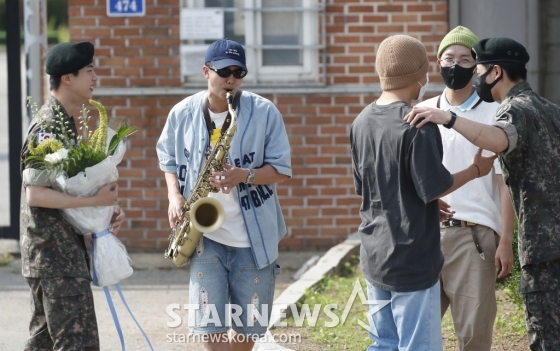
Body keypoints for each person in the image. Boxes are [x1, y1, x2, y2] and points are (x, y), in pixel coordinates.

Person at [405, 37, 560, 351]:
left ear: (495, 72)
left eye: (477, 69)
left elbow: (499, 140)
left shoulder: (516, 109)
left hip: (542, 250)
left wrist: (449, 118)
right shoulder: (552, 110)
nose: (474, 76)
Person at [349, 34, 497, 351]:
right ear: (420, 76)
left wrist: (428, 200)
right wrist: (476, 171)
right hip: (413, 257)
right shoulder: (417, 122)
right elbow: (437, 185)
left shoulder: (361, 121)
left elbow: (372, 186)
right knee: (418, 346)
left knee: (383, 343)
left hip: (374, 252)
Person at [156, 38, 291, 351]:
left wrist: (244, 175)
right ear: (206, 71)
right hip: (206, 239)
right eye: (223, 71)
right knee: (210, 328)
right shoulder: (182, 113)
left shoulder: (264, 112)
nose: (231, 79)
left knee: (248, 333)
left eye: (238, 72)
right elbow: (168, 160)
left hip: (252, 239)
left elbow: (282, 169)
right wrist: (174, 196)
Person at [20, 41, 125, 350]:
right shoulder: (48, 128)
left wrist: (103, 213)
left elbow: (66, 187)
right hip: (55, 257)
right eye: (89, 71)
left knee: (43, 343)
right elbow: (36, 195)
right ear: (68, 78)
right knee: (77, 344)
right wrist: (93, 202)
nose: (95, 77)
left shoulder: (65, 123)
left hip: (58, 255)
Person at [415, 26, 515, 351]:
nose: (455, 65)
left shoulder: (494, 114)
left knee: (473, 336)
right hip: (426, 235)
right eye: (448, 57)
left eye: (464, 58)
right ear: (438, 62)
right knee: (418, 333)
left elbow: (504, 183)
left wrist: (505, 241)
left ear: (477, 66)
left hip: (475, 238)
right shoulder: (422, 111)